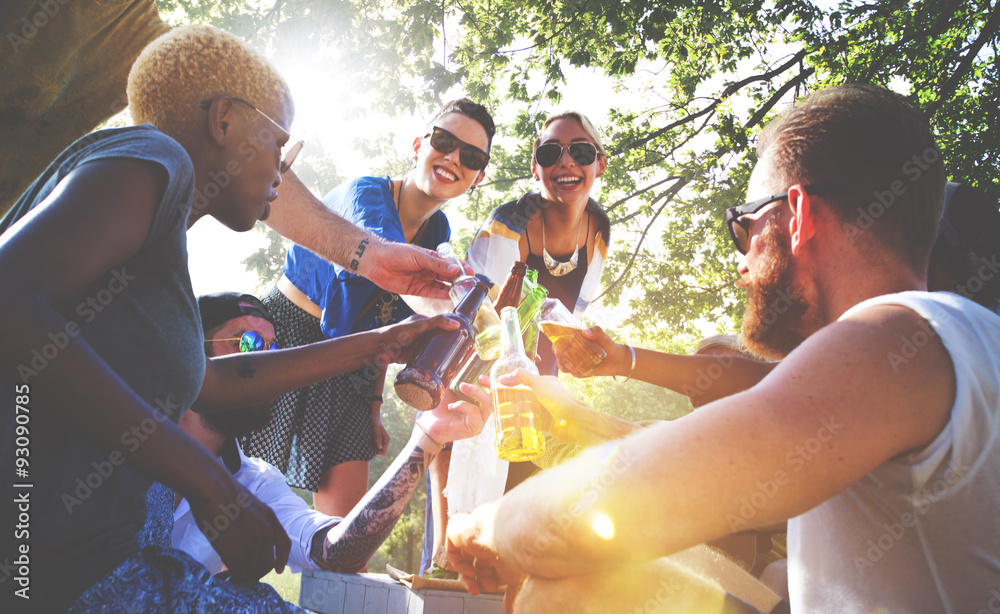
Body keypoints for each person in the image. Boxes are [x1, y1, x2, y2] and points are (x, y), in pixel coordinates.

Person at [446, 84, 1000, 613]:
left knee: (557, 588)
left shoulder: (893, 340)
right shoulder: (947, 341)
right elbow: (691, 453)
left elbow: (586, 510)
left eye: (744, 226)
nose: (740, 264)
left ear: (799, 216)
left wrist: (485, 525)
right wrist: (571, 412)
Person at [0, 24, 466, 613]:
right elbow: (8, 299)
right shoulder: (155, 156)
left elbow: (218, 382)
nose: (282, 171)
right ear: (224, 121)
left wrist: (384, 342)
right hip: (59, 580)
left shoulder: (151, 260)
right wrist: (209, 484)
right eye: (280, 147)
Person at [240, 99, 496, 520]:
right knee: (232, 501)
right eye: (445, 141)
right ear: (419, 144)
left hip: (357, 361)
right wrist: (481, 325)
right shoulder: (367, 195)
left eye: (471, 156)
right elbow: (392, 276)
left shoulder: (440, 232)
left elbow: (382, 318)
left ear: (478, 177)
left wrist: (375, 405)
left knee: (343, 532)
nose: (453, 158)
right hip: (285, 337)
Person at [164, 292, 492, 576]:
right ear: (193, 347)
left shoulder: (257, 483)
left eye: (272, 348)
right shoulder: (124, 433)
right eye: (247, 342)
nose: (262, 361)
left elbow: (334, 553)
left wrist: (430, 436)